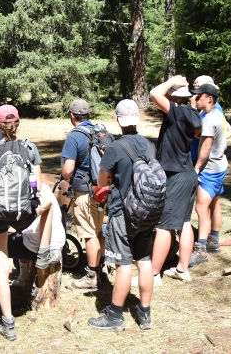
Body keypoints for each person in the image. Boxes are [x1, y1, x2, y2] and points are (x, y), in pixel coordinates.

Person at [0, 104, 56, 341]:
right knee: (48, 204)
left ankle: (8, 323)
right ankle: (43, 252)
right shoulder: (30, 148)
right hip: (25, 215)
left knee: (1, 269)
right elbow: (37, 186)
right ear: (17, 123)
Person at [88, 99, 156, 332]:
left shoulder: (115, 148)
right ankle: (144, 313)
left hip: (122, 212)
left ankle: (115, 316)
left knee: (123, 264)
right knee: (144, 260)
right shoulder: (149, 145)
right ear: (138, 118)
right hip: (147, 211)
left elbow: (101, 181)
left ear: (117, 119)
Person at [0, 182, 66, 300]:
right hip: (57, 242)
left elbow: (14, 228)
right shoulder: (42, 187)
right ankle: (23, 277)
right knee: (19, 236)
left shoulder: (20, 194)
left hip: (41, 250)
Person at [147, 77, 202, 284]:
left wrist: (171, 80)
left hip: (176, 176)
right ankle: (182, 269)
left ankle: (153, 274)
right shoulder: (192, 113)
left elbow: (154, 93)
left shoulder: (177, 112)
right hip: (188, 174)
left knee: (164, 225)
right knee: (184, 222)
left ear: (174, 98)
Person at [60, 99, 107, 289]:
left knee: (89, 233)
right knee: (98, 230)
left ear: (72, 116)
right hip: (102, 190)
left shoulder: (74, 136)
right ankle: (102, 268)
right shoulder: (99, 131)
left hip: (85, 191)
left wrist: (65, 174)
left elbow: (68, 171)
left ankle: (91, 276)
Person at [189, 75, 231, 257]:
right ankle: (213, 240)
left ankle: (201, 250)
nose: (195, 98)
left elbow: (207, 146)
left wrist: (197, 167)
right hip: (219, 165)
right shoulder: (215, 114)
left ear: (209, 98)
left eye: (199, 95)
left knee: (201, 208)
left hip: (209, 168)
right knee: (213, 202)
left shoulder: (209, 117)